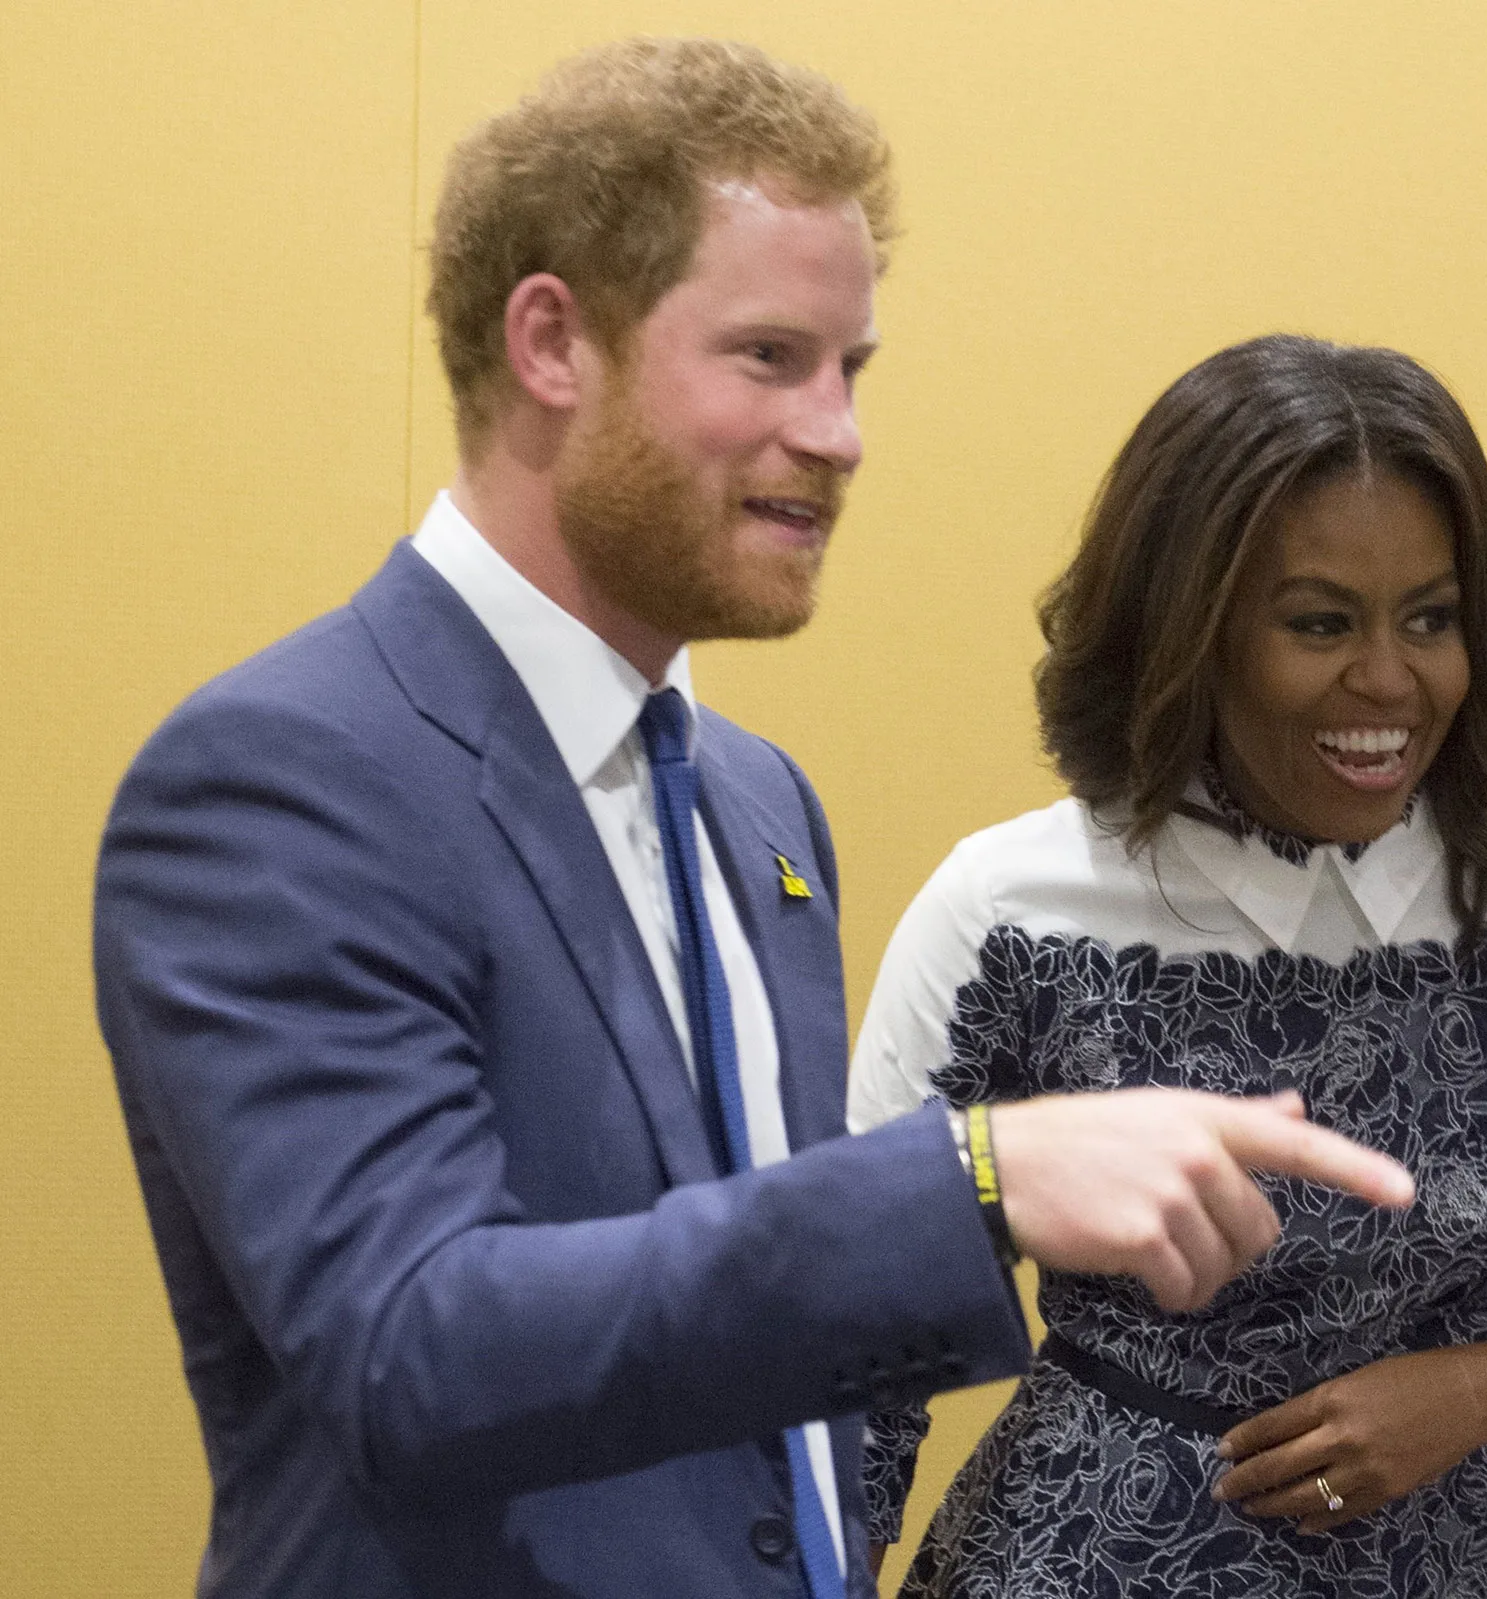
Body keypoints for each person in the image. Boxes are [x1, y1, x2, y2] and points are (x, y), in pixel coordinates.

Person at [91, 44, 1416, 1599]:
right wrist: (972, 1177)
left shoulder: (753, 801)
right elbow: (414, 1345)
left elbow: (760, 1363)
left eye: (852, 367)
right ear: (550, 342)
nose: (839, 432)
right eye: (772, 357)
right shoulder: (284, 775)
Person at [850, 333, 1487, 1597]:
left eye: (1432, 620)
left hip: (1484, 1560)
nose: (1390, 682)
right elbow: (852, 1324)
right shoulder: (1012, 909)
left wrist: (1483, 1391)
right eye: (1319, 623)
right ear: (1187, 631)